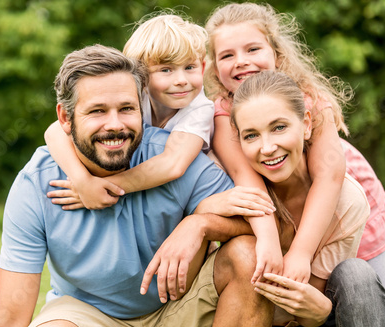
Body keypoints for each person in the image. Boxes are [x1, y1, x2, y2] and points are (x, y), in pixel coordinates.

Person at [0, 44, 277, 327]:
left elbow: (257, 222)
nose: (115, 125)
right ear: (64, 117)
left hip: (181, 307)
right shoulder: (36, 183)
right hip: (88, 315)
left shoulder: (173, 157)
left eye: (126, 109)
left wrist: (198, 225)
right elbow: (11, 315)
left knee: (247, 254)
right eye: (97, 111)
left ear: (142, 108)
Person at [204, 3, 385, 327]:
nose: (241, 61)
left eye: (253, 48)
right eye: (227, 55)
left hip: (343, 195)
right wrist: (269, 238)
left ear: (277, 53)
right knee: (305, 300)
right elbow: (246, 178)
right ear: (213, 68)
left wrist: (300, 252)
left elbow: (329, 175)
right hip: (283, 206)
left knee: (375, 300)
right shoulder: (223, 114)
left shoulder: (308, 96)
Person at [43, 14, 275, 218]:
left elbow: (172, 165)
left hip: (189, 190)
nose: (181, 80)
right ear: (141, 76)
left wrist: (102, 187)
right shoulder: (134, 98)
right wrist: (82, 182)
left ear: (202, 67)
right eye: (166, 70)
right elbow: (54, 131)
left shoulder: (199, 108)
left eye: (189, 67)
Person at [226, 70, 385, 327]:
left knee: (357, 275)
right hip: (255, 322)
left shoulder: (346, 202)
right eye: (251, 135)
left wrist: (320, 310)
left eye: (279, 127)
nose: (267, 147)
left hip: (315, 321)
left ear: (306, 124)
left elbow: (304, 312)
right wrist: (199, 221)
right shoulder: (233, 188)